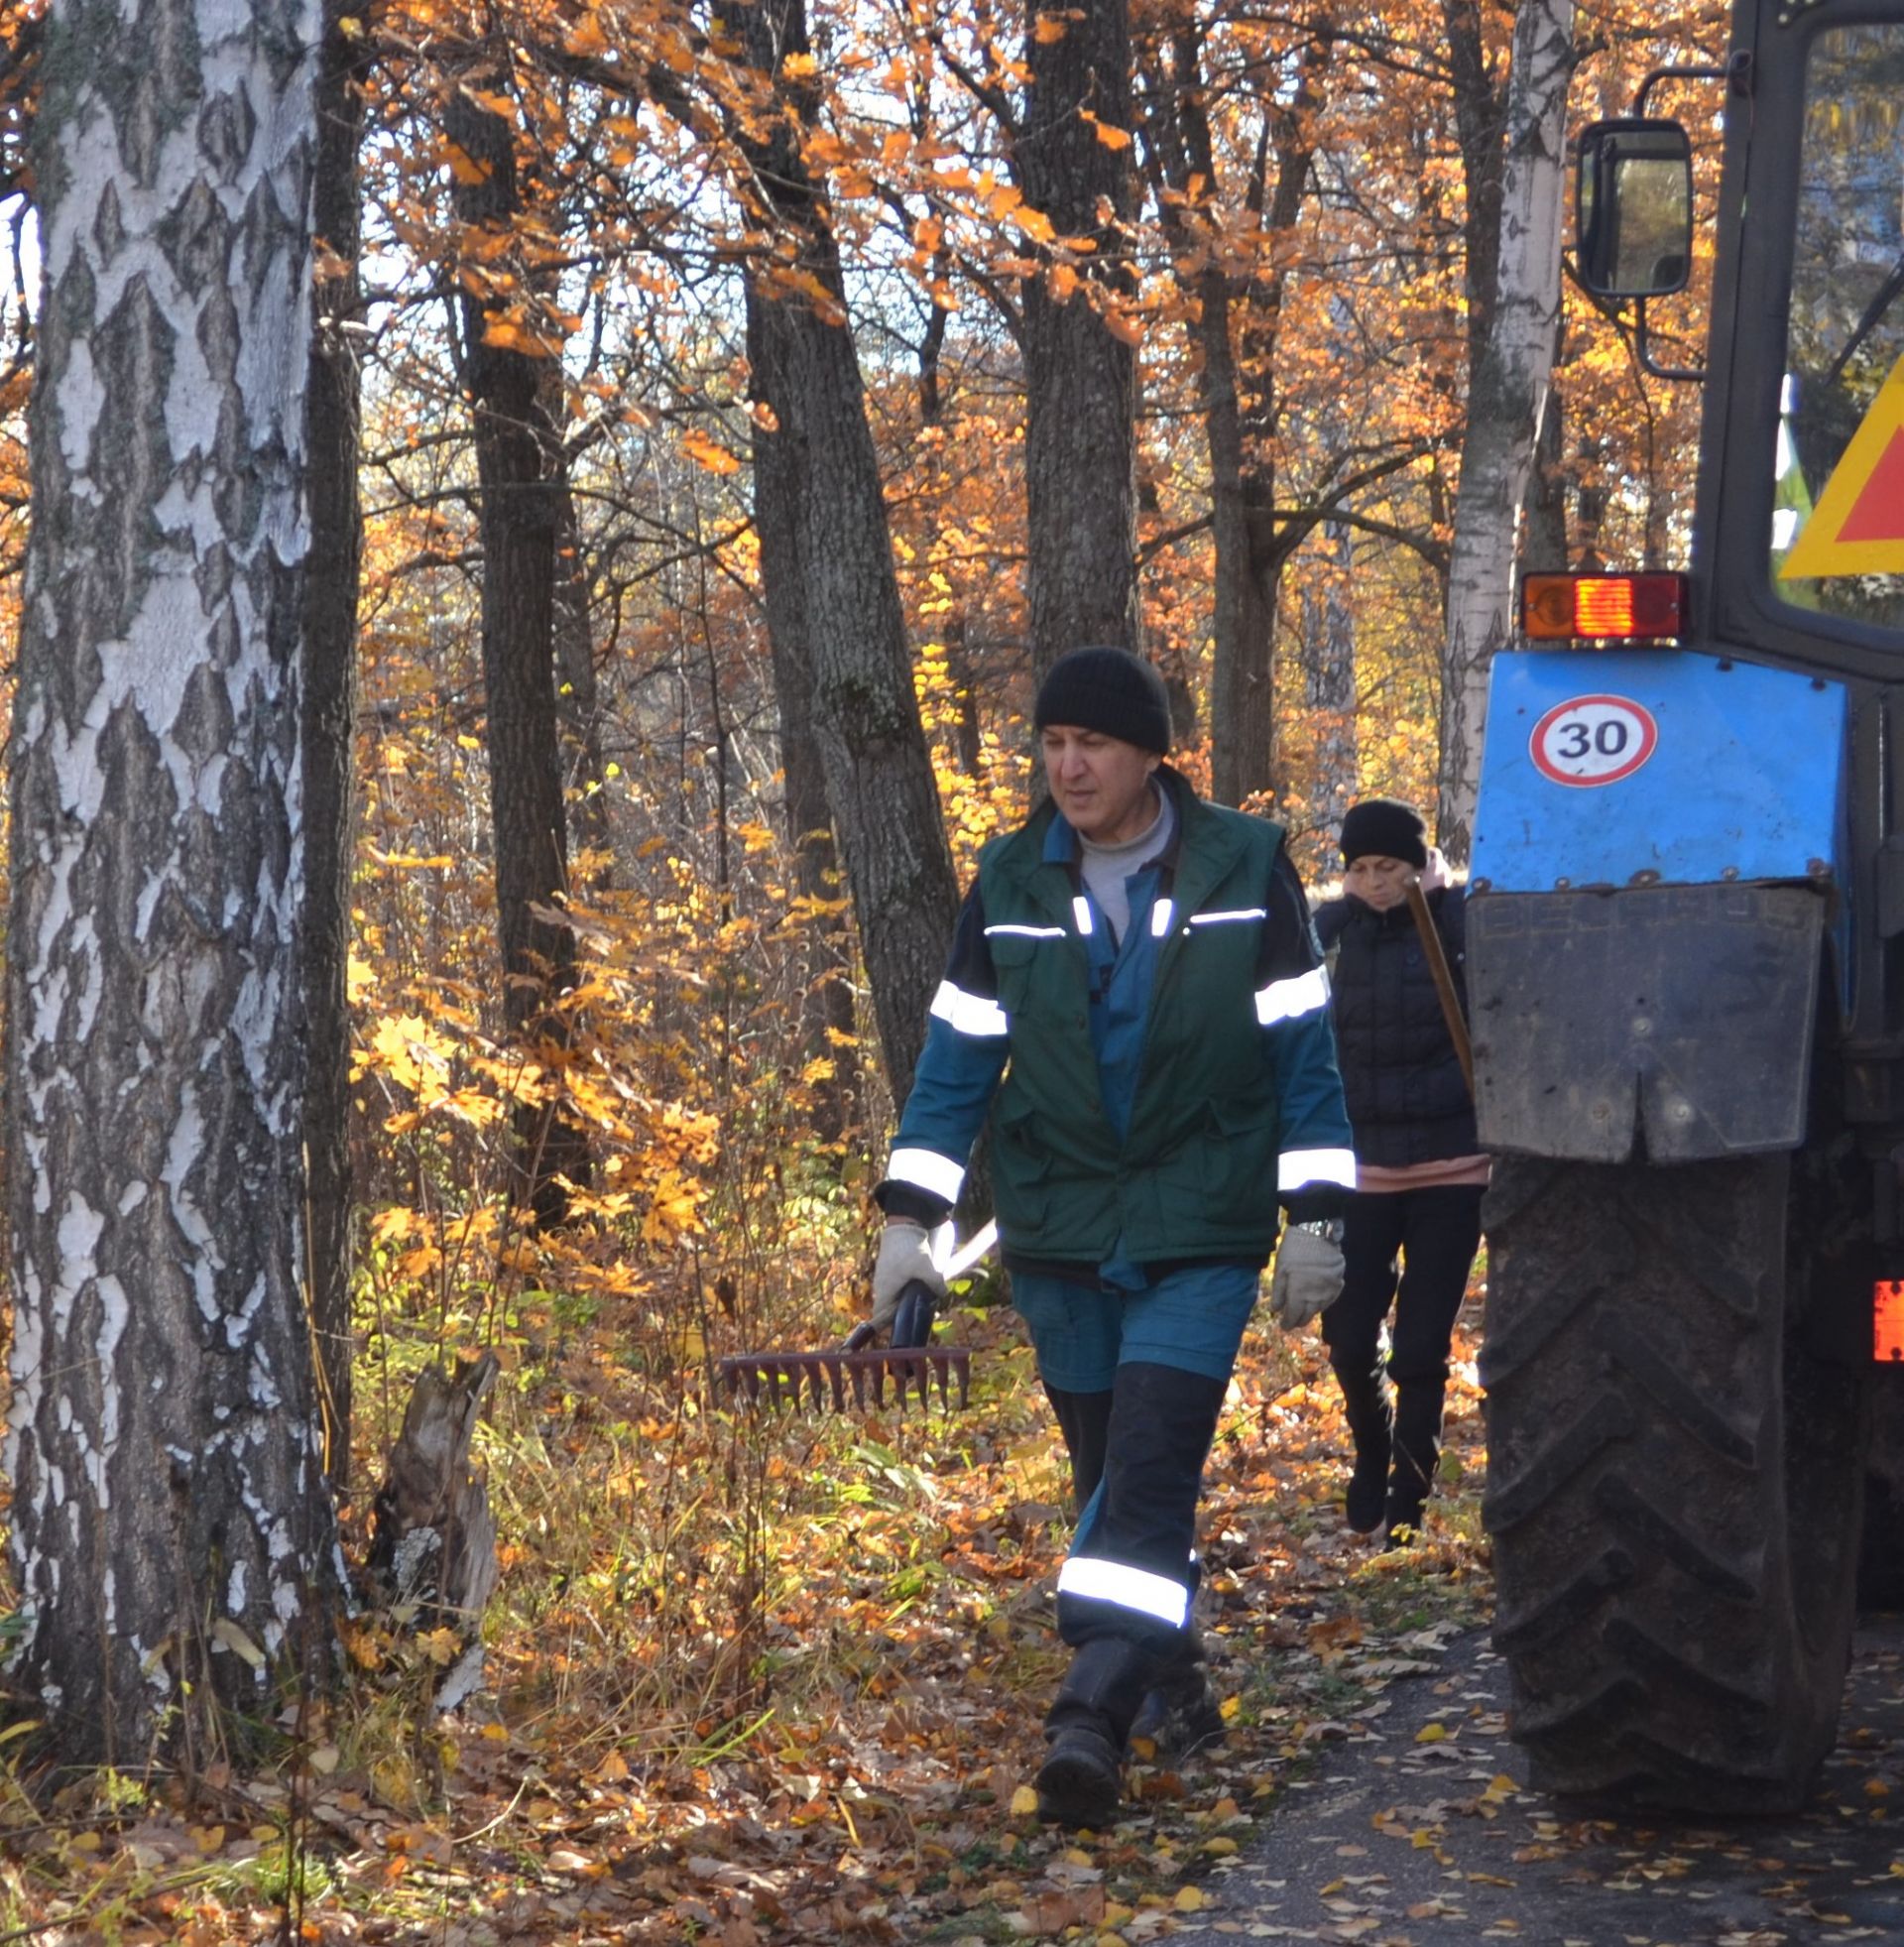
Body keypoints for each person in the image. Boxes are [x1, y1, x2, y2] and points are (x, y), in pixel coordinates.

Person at [867, 646, 1356, 1829]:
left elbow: (1302, 1048)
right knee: (1106, 1470)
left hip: (1199, 1213)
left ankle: (1090, 1711)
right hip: (1061, 1224)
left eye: (1090, 744)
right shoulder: (1012, 879)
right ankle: (1170, 1670)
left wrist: (1319, 1213)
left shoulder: (1246, 865)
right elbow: (957, 1061)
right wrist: (910, 1219)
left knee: (1148, 1460)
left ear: (1150, 756)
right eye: (1052, 745)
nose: (1068, 766)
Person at [1312, 798, 1487, 1548]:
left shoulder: (1460, 923)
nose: (1375, 882)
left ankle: (1409, 1499)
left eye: (1389, 867)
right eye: (1360, 868)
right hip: (1361, 1171)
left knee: (1419, 1345)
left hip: (1453, 1167)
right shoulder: (1328, 936)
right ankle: (1372, 1448)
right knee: (1350, 1337)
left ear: (1420, 866)